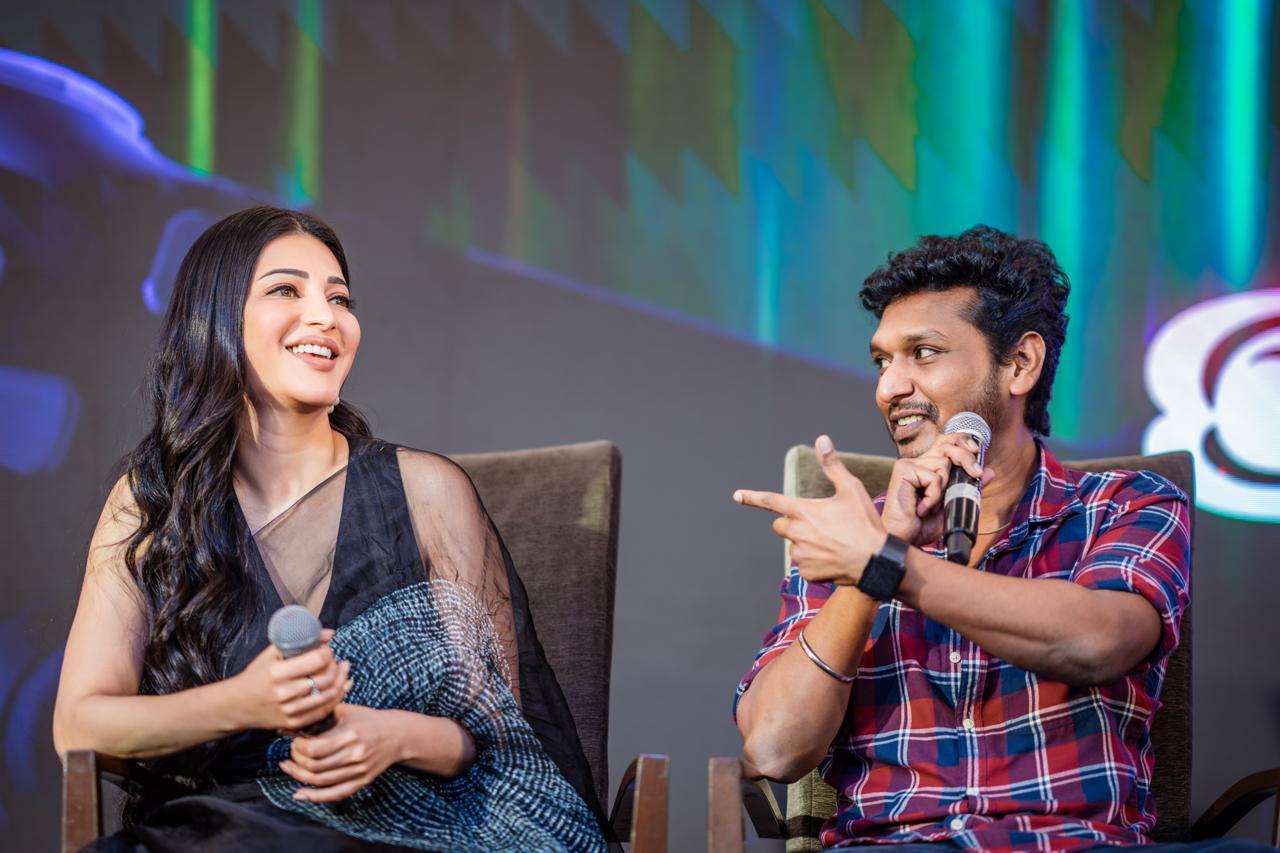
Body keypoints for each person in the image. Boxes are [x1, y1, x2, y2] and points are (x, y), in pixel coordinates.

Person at [53, 206, 608, 852]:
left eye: (339, 298)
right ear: (216, 318)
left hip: (405, 829)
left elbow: (502, 742)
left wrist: (396, 736)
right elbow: (79, 727)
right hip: (216, 833)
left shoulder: (427, 491)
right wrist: (243, 702)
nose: (326, 317)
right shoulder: (152, 502)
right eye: (287, 291)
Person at [731, 226, 1216, 850]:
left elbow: (1100, 641)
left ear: (1019, 364)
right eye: (882, 361)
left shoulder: (1127, 503)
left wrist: (888, 566)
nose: (889, 388)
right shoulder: (852, 536)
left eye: (923, 353)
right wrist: (870, 570)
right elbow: (773, 748)